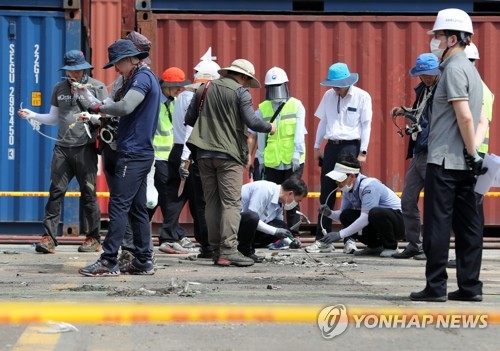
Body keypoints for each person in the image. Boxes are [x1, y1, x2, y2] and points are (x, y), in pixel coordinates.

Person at [410, 8, 485, 302]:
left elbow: (465, 117)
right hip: (468, 163)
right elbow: (481, 121)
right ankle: (470, 287)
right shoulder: (473, 71)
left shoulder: (452, 69)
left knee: (438, 226)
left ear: (453, 38)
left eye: (439, 36)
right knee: (470, 227)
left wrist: (468, 150)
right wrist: (475, 154)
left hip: (444, 161)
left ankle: (436, 287)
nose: (435, 41)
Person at [79, 39, 160, 276]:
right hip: (139, 152)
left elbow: (125, 107)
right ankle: (143, 260)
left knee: (118, 205)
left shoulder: (142, 78)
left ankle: (108, 260)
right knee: (137, 209)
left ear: (128, 59)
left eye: (116, 63)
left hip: (133, 152)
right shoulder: (139, 77)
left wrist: (96, 109)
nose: (115, 69)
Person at [185, 59, 276, 267]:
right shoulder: (240, 92)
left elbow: (190, 119)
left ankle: (216, 249)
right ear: (244, 77)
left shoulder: (205, 87)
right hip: (229, 155)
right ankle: (229, 249)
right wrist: (269, 127)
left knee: (212, 202)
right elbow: (252, 122)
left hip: (203, 154)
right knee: (231, 203)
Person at [18, 50, 107, 254]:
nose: (74, 75)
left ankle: (93, 238)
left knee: (88, 193)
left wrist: (90, 112)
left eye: (77, 71)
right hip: (62, 148)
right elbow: (53, 118)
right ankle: (48, 238)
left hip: (85, 147)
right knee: (56, 192)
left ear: (85, 69)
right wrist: (32, 115)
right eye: (70, 71)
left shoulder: (97, 86)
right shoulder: (59, 88)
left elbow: (106, 113)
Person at [307, 62, 373, 255]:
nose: (335, 89)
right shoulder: (328, 96)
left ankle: (350, 239)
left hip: (351, 146)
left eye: (338, 85)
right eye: (332, 85)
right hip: (332, 146)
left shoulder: (362, 97)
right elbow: (323, 121)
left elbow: (366, 125)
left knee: (350, 194)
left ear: (347, 82)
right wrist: (317, 146)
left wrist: (363, 152)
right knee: (326, 192)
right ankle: (322, 239)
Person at [166, 58, 222, 259]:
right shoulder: (195, 97)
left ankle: (201, 242)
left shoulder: (185, 96)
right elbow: (192, 129)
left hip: (184, 151)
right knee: (202, 202)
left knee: (191, 201)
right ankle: (208, 245)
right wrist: (186, 159)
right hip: (192, 153)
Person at [447, 42, 495, 268]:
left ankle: (466, 259)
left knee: (469, 212)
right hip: (475, 154)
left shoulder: (475, 88)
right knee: (471, 210)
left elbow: (479, 122)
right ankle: (466, 258)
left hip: (472, 156)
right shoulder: (481, 86)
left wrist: (471, 152)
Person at [247, 67, 307, 243]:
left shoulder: (296, 105)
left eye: (278, 86)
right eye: (272, 87)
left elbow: (299, 134)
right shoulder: (262, 108)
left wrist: (297, 155)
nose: (276, 91)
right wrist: (255, 157)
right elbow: (255, 135)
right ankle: (276, 233)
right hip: (271, 161)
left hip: (292, 161)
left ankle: (294, 234)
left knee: (292, 198)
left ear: (286, 85)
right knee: (274, 199)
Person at [390, 53, 441, 260]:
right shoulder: (423, 89)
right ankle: (414, 245)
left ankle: (433, 249)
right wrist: (404, 112)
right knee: (408, 200)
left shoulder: (443, 89)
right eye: (422, 74)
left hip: (434, 152)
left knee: (434, 203)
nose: (425, 77)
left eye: (428, 74)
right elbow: (421, 115)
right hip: (419, 151)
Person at [319, 155, 404, 257]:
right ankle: (375, 246)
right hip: (382, 221)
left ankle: (391, 247)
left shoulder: (369, 186)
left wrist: (339, 234)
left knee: (375, 213)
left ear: (352, 176)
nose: (337, 182)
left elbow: (365, 218)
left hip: (401, 223)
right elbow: (343, 214)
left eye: (340, 179)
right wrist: (329, 214)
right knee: (346, 215)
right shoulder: (348, 188)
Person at [149, 67, 194, 255]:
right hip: (157, 157)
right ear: (166, 86)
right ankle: (169, 237)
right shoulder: (153, 104)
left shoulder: (174, 102)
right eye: (176, 87)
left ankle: (172, 233)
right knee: (166, 197)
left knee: (163, 198)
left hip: (171, 157)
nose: (179, 90)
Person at [237, 177, 308, 262]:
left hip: (246, 227)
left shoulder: (280, 202)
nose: (296, 204)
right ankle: (245, 251)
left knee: (281, 226)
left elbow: (278, 227)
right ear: (290, 194)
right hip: (235, 225)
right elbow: (251, 218)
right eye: (297, 201)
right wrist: (275, 231)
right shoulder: (264, 189)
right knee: (254, 218)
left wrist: (290, 242)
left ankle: (246, 248)